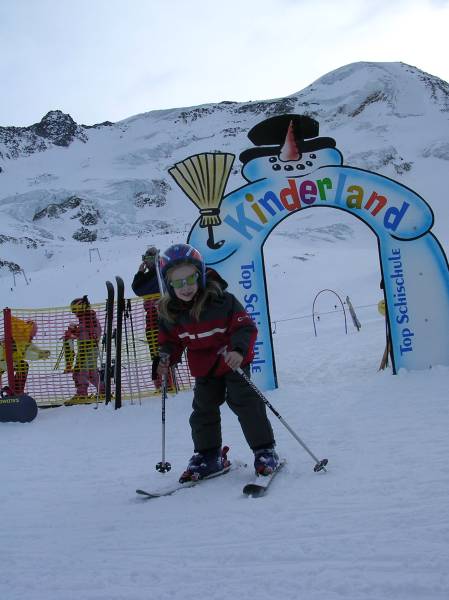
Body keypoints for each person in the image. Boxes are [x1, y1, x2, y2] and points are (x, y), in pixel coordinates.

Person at [156, 243, 279, 482]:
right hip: (205, 368)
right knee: (203, 409)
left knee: (245, 402)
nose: (185, 287)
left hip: (231, 361)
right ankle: (208, 455)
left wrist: (238, 350)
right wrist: (164, 359)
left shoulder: (222, 301)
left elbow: (244, 327)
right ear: (169, 284)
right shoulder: (171, 313)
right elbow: (170, 342)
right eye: (178, 283)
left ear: (200, 275)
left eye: (190, 279)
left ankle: (264, 451)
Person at [63, 295, 105, 405]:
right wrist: (75, 331)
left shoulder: (88, 318)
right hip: (87, 349)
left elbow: (92, 333)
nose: (74, 313)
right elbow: (86, 331)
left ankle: (82, 394)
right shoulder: (88, 318)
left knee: (80, 372)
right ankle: (103, 391)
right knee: (90, 372)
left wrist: (75, 332)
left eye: (75, 310)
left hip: (88, 349)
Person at [131, 246, 163, 387]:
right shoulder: (156, 273)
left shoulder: (157, 273)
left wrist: (140, 273)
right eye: (144, 258)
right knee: (157, 350)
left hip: (158, 317)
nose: (146, 262)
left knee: (160, 351)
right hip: (153, 316)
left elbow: (138, 289)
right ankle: (161, 382)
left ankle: (164, 383)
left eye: (148, 258)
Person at [0, 317, 50, 395]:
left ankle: (15, 391)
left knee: (22, 366)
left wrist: (40, 352)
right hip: (3, 361)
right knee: (23, 366)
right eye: (34, 331)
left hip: (5, 361)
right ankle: (16, 391)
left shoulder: (20, 336)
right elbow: (26, 354)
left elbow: (30, 347)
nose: (35, 334)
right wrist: (39, 356)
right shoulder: (21, 338)